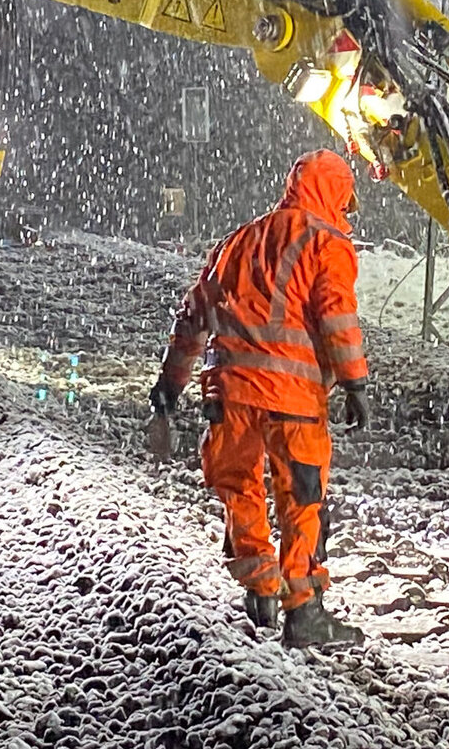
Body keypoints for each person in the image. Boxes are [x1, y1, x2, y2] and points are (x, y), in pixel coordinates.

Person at [147, 149, 370, 649]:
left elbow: (194, 317)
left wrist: (170, 385)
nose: (348, 213)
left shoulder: (236, 242)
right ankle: (304, 611)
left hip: (229, 393)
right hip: (292, 397)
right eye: (347, 200)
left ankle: (260, 589)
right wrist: (355, 381)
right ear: (332, 192)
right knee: (302, 499)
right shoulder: (325, 242)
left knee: (239, 488)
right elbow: (336, 313)